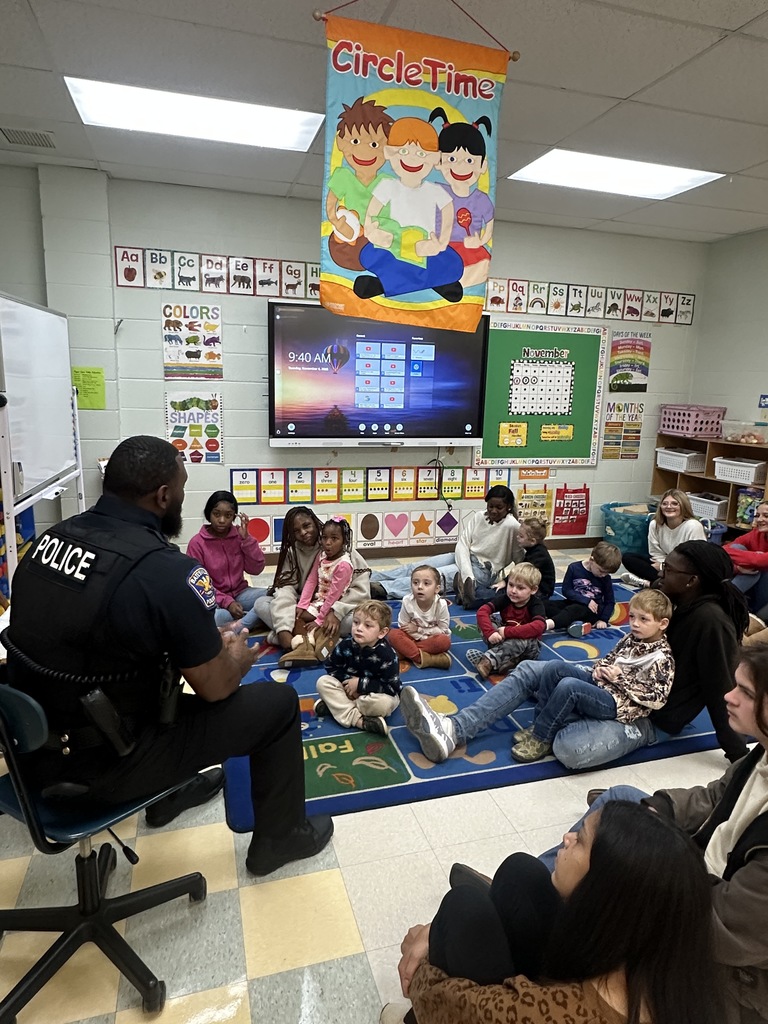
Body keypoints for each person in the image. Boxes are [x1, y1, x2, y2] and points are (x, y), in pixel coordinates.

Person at [4, 436, 333, 876]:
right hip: (107, 765)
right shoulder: (167, 571)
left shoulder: (48, 543)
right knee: (276, 705)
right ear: (163, 496)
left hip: (28, 751)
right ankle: (279, 839)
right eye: (181, 486)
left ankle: (171, 794)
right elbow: (215, 688)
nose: (181, 495)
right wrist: (235, 656)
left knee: (150, 672)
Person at [538, 642, 768, 1024]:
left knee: (610, 859)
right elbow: (714, 797)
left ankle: (547, 907)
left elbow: (723, 927)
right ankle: (542, 885)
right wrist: (660, 807)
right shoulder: (761, 753)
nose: (728, 696)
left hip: (730, 972)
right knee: (621, 801)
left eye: (745, 692)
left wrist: (643, 876)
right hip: (701, 874)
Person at [401, 542, 748, 768]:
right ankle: (453, 729)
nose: (660, 573)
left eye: (669, 570)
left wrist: (737, 754)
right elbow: (623, 648)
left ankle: (555, 721)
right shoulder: (667, 599)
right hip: (611, 684)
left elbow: (722, 687)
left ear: (692, 581)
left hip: (646, 716)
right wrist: (601, 671)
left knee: (570, 750)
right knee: (531, 672)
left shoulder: (709, 620)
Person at [385, 800, 720, 1024]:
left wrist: (428, 952)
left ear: (604, 888)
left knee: (463, 909)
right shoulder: (670, 972)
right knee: (522, 873)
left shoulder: (557, 1013)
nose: (567, 837)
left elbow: (442, 1000)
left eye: (582, 841)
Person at [509, 589, 674, 763]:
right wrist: (600, 669)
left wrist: (620, 680)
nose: (635, 623)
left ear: (662, 624)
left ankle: (542, 738)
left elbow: (657, 698)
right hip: (603, 686)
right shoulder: (630, 638)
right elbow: (609, 658)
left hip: (618, 705)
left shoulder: (662, 657)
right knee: (555, 668)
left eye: (643, 619)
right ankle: (541, 724)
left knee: (569, 687)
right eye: (632, 617)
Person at [253, 506, 370, 650]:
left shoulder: (343, 548)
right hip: (308, 608)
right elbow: (287, 588)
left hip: (337, 609)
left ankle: (295, 636)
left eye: (306, 525)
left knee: (361, 620)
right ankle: (311, 637)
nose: (303, 532)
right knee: (261, 604)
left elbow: (361, 591)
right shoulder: (293, 552)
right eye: (296, 531)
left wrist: (335, 612)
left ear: (315, 522)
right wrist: (287, 621)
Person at [429, 106, 495, 290]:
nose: (461, 167)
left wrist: (480, 241)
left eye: (469, 160)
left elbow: (489, 227)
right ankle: (443, 282)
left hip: (469, 248)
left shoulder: (481, 199)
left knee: (481, 267)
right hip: (442, 246)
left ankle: (448, 284)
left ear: (482, 165)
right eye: (451, 159)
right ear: (439, 162)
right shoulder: (437, 191)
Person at [314, 600, 400, 736]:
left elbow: (391, 687)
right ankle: (359, 721)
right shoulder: (345, 645)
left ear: (382, 632)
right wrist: (349, 683)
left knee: (383, 704)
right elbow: (331, 667)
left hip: (373, 695)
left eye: (368, 625)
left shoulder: (388, 655)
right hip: (348, 689)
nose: (359, 628)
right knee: (323, 682)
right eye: (356, 622)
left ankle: (336, 707)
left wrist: (361, 685)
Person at [185, 489, 266, 634]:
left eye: (228, 515)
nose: (222, 520)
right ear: (209, 514)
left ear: (234, 517)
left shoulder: (239, 536)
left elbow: (256, 569)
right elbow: (200, 586)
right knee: (214, 617)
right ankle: (253, 620)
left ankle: (238, 625)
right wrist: (227, 602)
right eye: (217, 514)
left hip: (241, 593)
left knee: (272, 596)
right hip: (214, 600)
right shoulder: (197, 543)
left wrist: (247, 540)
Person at [280, 516, 356, 668]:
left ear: (344, 541)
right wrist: (302, 604)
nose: (328, 543)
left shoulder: (343, 565)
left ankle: (305, 647)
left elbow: (334, 596)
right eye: (324, 538)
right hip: (318, 601)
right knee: (297, 613)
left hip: (331, 606)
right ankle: (316, 640)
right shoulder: (321, 556)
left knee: (297, 620)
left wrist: (320, 619)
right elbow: (311, 580)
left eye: (334, 539)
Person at [466, 562, 545, 679]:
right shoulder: (506, 599)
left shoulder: (535, 604)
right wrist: (490, 633)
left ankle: (488, 661)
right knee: (487, 620)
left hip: (529, 649)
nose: (513, 591)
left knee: (521, 640)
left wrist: (508, 632)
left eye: (520, 588)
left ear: (533, 590)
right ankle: (507, 662)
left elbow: (539, 626)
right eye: (511, 585)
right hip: (505, 640)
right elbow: (482, 611)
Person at [453, 485, 522, 610]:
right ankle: (466, 591)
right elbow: (463, 543)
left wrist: (508, 581)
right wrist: (467, 575)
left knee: (428, 576)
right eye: (490, 506)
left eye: (499, 507)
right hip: (467, 559)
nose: (493, 511)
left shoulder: (513, 526)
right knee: (421, 567)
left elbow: (520, 560)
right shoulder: (479, 516)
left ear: (509, 507)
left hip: (484, 570)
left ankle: (468, 593)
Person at [621, 488, 706, 588]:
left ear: (683, 506)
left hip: (685, 568)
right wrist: (663, 566)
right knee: (628, 558)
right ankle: (662, 584)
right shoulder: (655, 524)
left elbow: (694, 560)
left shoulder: (693, 526)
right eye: (665, 504)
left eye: (675, 504)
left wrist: (663, 566)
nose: (669, 507)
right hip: (664, 564)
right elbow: (655, 552)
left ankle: (653, 584)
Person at [544, 541, 621, 636]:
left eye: (607, 573)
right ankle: (572, 622)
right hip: (573, 603)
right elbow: (566, 590)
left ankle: (547, 625)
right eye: (601, 571)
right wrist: (586, 600)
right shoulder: (574, 568)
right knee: (547, 604)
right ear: (591, 560)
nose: (603, 575)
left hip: (592, 612)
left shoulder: (605, 578)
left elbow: (610, 601)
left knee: (575, 610)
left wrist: (603, 619)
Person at [388, 565, 452, 670]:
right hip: (411, 636)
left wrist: (419, 629)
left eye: (426, 583)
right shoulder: (407, 601)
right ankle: (426, 659)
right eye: (415, 583)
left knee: (444, 641)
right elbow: (402, 625)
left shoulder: (441, 605)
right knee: (393, 634)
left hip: (431, 639)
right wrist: (413, 633)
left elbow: (442, 630)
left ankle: (405, 653)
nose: (420, 587)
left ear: (437, 589)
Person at [725, 500, 768, 620]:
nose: (760, 520)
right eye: (757, 515)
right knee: (738, 548)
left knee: (758, 564)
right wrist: (738, 568)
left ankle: (723, 599)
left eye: (766, 516)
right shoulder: (757, 534)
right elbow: (723, 551)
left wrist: (755, 559)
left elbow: (760, 561)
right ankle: (725, 599)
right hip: (754, 588)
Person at [496, 517, 555, 600]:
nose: (517, 537)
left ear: (532, 541)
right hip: (533, 587)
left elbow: (522, 572)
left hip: (541, 592)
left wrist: (505, 582)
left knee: (501, 594)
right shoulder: (534, 550)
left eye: (521, 536)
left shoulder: (539, 554)